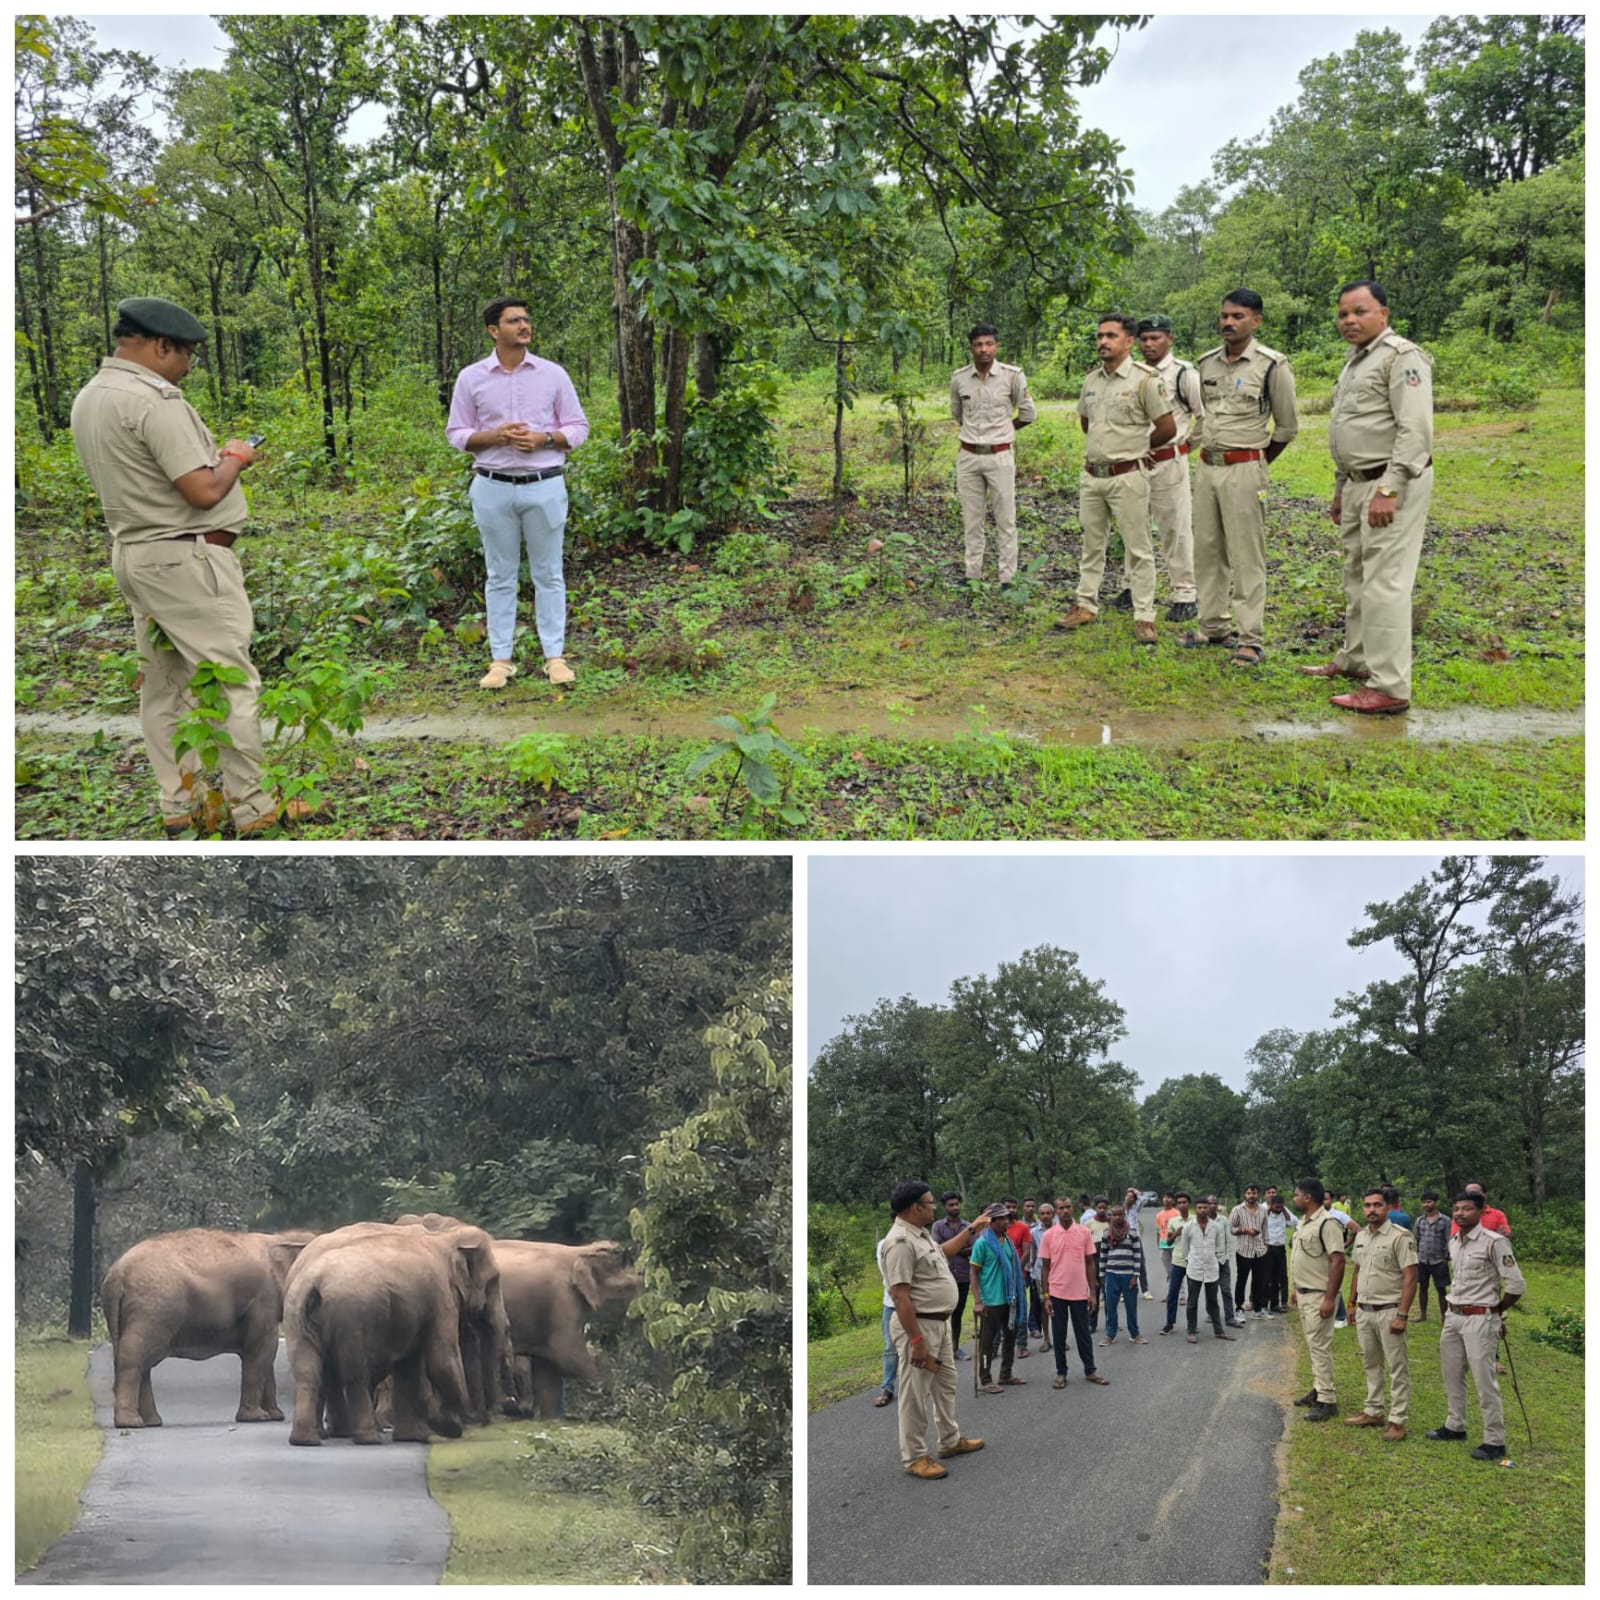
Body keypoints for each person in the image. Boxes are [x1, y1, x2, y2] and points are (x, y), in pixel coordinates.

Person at [69, 297, 312, 838]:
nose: (188, 367)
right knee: (230, 682)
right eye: (186, 355)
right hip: (185, 560)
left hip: (137, 555)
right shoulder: (154, 401)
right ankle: (253, 807)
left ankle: (181, 802)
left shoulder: (92, 396)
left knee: (164, 687)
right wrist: (235, 458)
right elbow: (202, 491)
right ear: (161, 346)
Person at [1304, 280, 1434, 716]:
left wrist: (1388, 488)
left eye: (1360, 312)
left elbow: (1415, 430)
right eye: (1343, 314)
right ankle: (1357, 658)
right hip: (1358, 482)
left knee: (1385, 582)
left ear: (1384, 314)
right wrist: (1342, 488)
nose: (1349, 321)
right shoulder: (1356, 361)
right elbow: (1351, 430)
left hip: (1389, 483)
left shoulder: (1403, 357)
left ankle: (1390, 686)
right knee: (1357, 574)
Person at [446, 295, 589, 689]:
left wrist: (544, 439)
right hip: (493, 486)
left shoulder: (552, 374)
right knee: (499, 575)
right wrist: (494, 436)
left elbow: (578, 427)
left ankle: (554, 657)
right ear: (494, 330)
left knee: (549, 574)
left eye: (526, 319)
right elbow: (456, 433)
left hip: (544, 485)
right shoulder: (471, 378)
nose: (524, 326)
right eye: (514, 321)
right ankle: (501, 661)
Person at [1180, 289, 1299, 669]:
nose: (1228, 323)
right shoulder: (1207, 364)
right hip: (1208, 466)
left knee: (1247, 555)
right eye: (1224, 316)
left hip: (1246, 467)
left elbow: (1286, 427)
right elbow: (1205, 417)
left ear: (1256, 321)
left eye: (1238, 316)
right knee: (1207, 550)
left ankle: (1250, 638)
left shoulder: (1272, 366)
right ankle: (1213, 626)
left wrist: (1256, 462)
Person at [1058, 313, 1176, 646]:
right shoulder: (1091, 380)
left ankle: (1144, 616)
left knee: (1138, 548)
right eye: (1100, 336)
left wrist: (1137, 448)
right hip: (1093, 476)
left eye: (1111, 336)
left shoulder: (1145, 379)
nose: (1103, 342)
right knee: (1091, 544)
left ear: (1129, 342)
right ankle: (1085, 604)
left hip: (1128, 477)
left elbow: (1167, 427)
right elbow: (1087, 422)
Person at [881, 1181, 989, 1479]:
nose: (934, 1208)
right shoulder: (900, 1242)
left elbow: (944, 1253)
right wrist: (916, 1340)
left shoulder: (920, 1234)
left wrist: (972, 1228)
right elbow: (899, 1296)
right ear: (916, 1207)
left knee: (946, 1384)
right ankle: (915, 1456)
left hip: (939, 1325)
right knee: (914, 1394)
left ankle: (950, 1440)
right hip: (919, 1328)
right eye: (929, 1203)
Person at [1428, 1191, 1526, 1462]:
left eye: (1467, 1208)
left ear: (1481, 1212)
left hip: (1481, 1318)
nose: (1460, 1213)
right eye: (1456, 1208)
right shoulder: (1454, 1242)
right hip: (1453, 1315)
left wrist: (1496, 1310)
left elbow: (1516, 1285)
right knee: (1451, 1373)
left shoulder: (1495, 1242)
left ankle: (1494, 1440)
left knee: (1484, 1379)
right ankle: (1455, 1425)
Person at [949, 323, 1036, 587]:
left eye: (988, 344)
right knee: (971, 519)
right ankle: (972, 574)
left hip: (1000, 456)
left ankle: (1007, 577)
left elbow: (1028, 414)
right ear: (971, 348)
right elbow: (958, 415)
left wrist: (1004, 430)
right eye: (978, 344)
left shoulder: (1012, 376)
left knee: (1006, 519)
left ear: (997, 346)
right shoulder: (960, 378)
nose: (983, 349)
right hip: (968, 456)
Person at [1134, 314, 1203, 620]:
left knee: (1176, 529)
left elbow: (1204, 417)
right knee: (1134, 527)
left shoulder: (1183, 373)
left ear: (1169, 339)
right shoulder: (1134, 373)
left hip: (1168, 461)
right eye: (1144, 339)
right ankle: (1132, 588)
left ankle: (1184, 593)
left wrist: (1184, 446)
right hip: (1136, 462)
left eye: (1156, 338)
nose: (1149, 344)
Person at [1346, 1187, 1419, 1441]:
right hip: (1365, 1310)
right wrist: (1352, 1302)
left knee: (1397, 1366)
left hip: (1389, 1310)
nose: (1372, 1210)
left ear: (1388, 1207)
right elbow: (1358, 1270)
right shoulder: (1361, 1236)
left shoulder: (1401, 1237)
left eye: (1377, 1205)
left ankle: (1397, 1419)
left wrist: (1402, 1314)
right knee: (1371, 1362)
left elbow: (1411, 1277)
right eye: (1367, 1205)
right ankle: (1373, 1410)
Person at [1289, 1178, 1346, 1421]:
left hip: (1319, 1295)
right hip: (1305, 1293)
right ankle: (1318, 1388)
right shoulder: (1305, 1221)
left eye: (1296, 1195)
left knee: (1320, 1346)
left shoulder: (1327, 1223)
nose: (1294, 1198)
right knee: (1313, 1345)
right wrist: (1296, 1288)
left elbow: (1338, 1261)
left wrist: (1330, 1298)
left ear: (1308, 1197)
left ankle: (1327, 1400)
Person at [1039, 1198, 1108, 1387]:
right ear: (1056, 1212)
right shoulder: (1049, 1235)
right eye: (1061, 1208)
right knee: (1059, 1334)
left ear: (1073, 1209)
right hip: (1057, 1292)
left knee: (1083, 1333)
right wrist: (1046, 1296)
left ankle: (1090, 1370)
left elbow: (1089, 1263)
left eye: (1068, 1207)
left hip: (1079, 1292)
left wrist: (1092, 1292)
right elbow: (1045, 1267)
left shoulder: (1083, 1232)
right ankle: (1061, 1373)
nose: (1065, 1211)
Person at [972, 1202, 1028, 1394]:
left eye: (1007, 1218)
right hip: (991, 1300)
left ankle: (1005, 1374)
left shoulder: (1008, 1241)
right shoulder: (982, 1243)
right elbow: (973, 1272)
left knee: (1010, 1337)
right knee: (987, 1343)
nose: (1005, 1222)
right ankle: (985, 1379)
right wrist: (977, 1301)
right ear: (991, 1221)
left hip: (1009, 1299)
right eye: (1001, 1219)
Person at [1180, 1199, 1234, 1343]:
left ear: (1209, 1208)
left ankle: (1219, 1331)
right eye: (1199, 1207)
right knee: (1192, 1302)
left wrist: (1217, 1260)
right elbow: (1184, 1249)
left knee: (1213, 1302)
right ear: (1195, 1209)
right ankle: (1191, 1331)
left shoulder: (1215, 1227)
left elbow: (1219, 1246)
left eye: (1205, 1207)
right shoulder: (1188, 1226)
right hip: (1194, 1269)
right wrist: (1190, 1261)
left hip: (1211, 1269)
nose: (1203, 1210)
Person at [930, 1192, 975, 1358]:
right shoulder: (938, 1226)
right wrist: (960, 1246)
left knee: (958, 1313)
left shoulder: (968, 1226)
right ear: (945, 1207)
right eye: (951, 1205)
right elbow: (936, 1248)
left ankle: (955, 1348)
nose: (955, 1207)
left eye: (957, 1204)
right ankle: (941, 1348)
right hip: (943, 1276)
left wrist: (950, 1248)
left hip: (963, 1276)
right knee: (941, 1313)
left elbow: (974, 1248)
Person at [1096, 1203, 1147, 1345]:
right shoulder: (1106, 1233)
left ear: (1124, 1215)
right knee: (1111, 1306)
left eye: (1120, 1214)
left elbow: (1137, 1255)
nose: (1117, 1217)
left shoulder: (1132, 1233)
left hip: (1128, 1275)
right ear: (1111, 1216)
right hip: (1111, 1274)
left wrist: (1135, 1276)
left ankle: (1135, 1333)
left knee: (1131, 1306)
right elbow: (1103, 1255)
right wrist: (1102, 1276)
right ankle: (1110, 1334)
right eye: (1114, 1215)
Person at [1208, 1193, 1247, 1328]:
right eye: (1210, 1203)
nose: (1213, 1205)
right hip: (1209, 1261)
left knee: (1226, 1289)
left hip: (1223, 1260)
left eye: (1215, 1203)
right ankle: (1211, 1313)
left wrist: (1227, 1255)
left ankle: (1229, 1317)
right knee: (1210, 1290)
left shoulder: (1223, 1220)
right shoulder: (1202, 1220)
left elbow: (1229, 1240)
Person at [1412, 1191, 1452, 1322]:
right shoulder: (1420, 1220)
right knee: (1423, 1287)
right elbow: (1415, 1239)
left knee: (1441, 1289)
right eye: (1424, 1202)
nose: (1426, 1205)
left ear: (1436, 1203)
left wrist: (1447, 1254)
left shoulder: (1445, 1220)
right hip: (1422, 1259)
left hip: (1439, 1259)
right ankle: (1422, 1314)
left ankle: (1444, 1316)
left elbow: (1449, 1238)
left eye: (1429, 1202)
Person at [1230, 1184, 1269, 1318]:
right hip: (1243, 1250)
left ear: (1258, 1194)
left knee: (1259, 1281)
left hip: (1260, 1251)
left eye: (1254, 1193)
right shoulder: (1237, 1210)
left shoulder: (1263, 1210)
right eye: (1248, 1193)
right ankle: (1239, 1308)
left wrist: (1266, 1245)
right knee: (1242, 1280)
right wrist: (1245, 1230)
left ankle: (1257, 1309)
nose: (1251, 1196)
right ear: (1245, 1194)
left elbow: (1265, 1228)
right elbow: (1232, 1229)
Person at [1003, 1199, 1035, 1358]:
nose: (1011, 1210)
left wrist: (1014, 1271)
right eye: (1007, 1207)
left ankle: (1021, 1345)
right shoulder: (995, 1228)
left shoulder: (1022, 1228)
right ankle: (997, 1345)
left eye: (1013, 1207)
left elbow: (1026, 1252)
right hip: (999, 1277)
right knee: (999, 1310)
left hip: (1018, 1275)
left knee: (1021, 1308)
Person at [874, 1229, 899, 1407]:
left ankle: (919, 1385)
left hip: (915, 1303)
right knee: (891, 1347)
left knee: (917, 1344)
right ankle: (887, 1388)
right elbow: (887, 1275)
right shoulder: (884, 1244)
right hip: (891, 1303)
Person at [1161, 1193, 1193, 1333]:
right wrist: (1175, 1234)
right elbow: (1168, 1242)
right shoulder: (1173, 1221)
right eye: (1179, 1203)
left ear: (1189, 1204)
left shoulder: (1195, 1219)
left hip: (1193, 1261)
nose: (1182, 1205)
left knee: (1193, 1295)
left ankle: (1192, 1323)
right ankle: (1169, 1323)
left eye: (1184, 1202)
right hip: (1178, 1261)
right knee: (1173, 1293)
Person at [1261, 1191, 1295, 1315]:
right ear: (1271, 1205)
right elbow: (1260, 1221)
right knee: (1266, 1278)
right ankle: (1263, 1304)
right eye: (1277, 1207)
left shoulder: (1283, 1214)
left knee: (1278, 1278)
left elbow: (1291, 1222)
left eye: (1281, 1207)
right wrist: (1270, 1208)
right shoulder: (1266, 1213)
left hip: (1280, 1249)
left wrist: (1284, 1210)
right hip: (1268, 1248)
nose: (1279, 1209)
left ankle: (1275, 1304)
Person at [1028, 1202, 1056, 1350]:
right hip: (1040, 1275)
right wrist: (1031, 1272)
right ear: (1039, 1216)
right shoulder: (1034, 1232)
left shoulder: (1059, 1230)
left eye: (1048, 1213)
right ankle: (1046, 1338)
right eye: (1042, 1214)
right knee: (1044, 1307)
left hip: (1058, 1274)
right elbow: (1032, 1254)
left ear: (1053, 1215)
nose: (1045, 1216)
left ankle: (1060, 1339)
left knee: (1059, 1308)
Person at [1325, 1194, 1355, 1326]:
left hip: (1335, 1254)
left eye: (1326, 1199)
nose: (1323, 1201)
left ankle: (1341, 1316)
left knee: (1334, 1283)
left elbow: (1355, 1228)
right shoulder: (1317, 1215)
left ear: (1332, 1200)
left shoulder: (1338, 1215)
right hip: (1322, 1256)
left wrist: (1345, 1244)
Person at [1154, 1192, 1179, 1302]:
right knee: (1169, 1271)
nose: (1166, 1199)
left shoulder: (1177, 1213)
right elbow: (1158, 1231)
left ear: (1173, 1200)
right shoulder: (1159, 1215)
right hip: (1163, 1245)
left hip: (1175, 1244)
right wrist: (1158, 1245)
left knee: (1177, 1270)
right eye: (1165, 1197)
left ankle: (1181, 1296)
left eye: (1169, 1197)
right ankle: (1170, 1294)